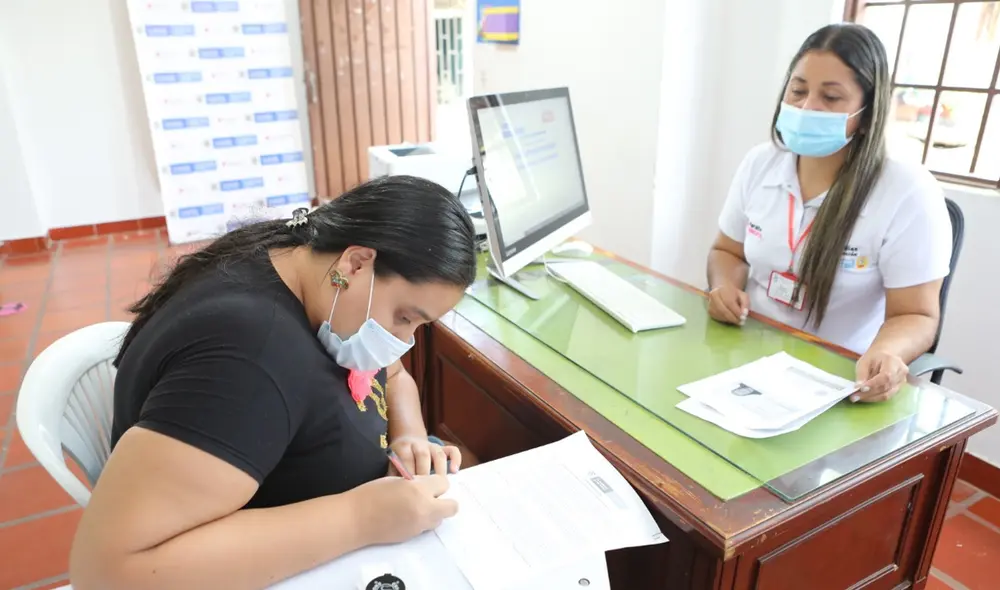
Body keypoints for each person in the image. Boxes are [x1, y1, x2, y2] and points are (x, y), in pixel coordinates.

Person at [69, 176, 478, 590]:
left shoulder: (301, 260)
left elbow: (391, 372)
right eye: (405, 318)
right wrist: (360, 519)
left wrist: (408, 436)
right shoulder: (248, 362)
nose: (402, 342)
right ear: (355, 263)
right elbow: (107, 572)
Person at [706, 23, 952, 404]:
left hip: (836, 378)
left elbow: (917, 315)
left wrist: (887, 354)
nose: (807, 108)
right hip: (745, 360)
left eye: (832, 97)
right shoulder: (761, 163)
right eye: (798, 90)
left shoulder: (908, 191)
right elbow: (728, 252)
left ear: (868, 113)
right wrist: (724, 287)